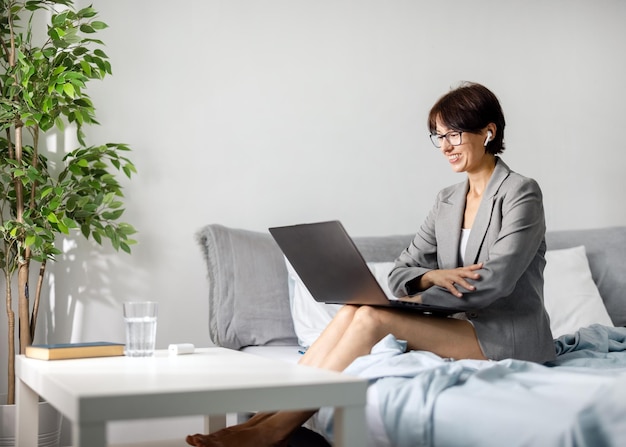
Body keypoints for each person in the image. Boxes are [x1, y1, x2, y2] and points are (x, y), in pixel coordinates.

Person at [186, 82, 556, 447]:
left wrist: (417, 303)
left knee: (372, 317)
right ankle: (264, 417)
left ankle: (271, 431)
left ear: (488, 132)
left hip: (506, 335)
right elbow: (400, 274)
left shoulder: (521, 193)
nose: (445, 146)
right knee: (353, 309)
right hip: (460, 326)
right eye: (438, 136)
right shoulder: (447, 200)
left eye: (454, 134)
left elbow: (496, 281)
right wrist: (430, 275)